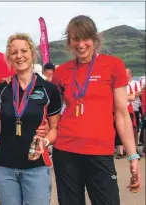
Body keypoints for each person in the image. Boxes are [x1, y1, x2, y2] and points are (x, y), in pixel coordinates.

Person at [51, 15, 141, 205]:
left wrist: (133, 155)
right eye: (75, 39)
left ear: (95, 39)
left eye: (86, 38)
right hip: (66, 152)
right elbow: (51, 109)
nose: (81, 44)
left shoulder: (113, 65)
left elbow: (122, 114)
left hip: (100, 152)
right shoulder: (61, 72)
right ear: (69, 42)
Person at [0, 33, 61, 205]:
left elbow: (55, 129)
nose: (19, 56)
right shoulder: (1, 89)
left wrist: (45, 140)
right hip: (4, 167)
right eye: (14, 52)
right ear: (9, 57)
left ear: (32, 53)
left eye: (24, 51)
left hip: (36, 166)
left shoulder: (48, 89)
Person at [126, 68, 142, 147]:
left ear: (131, 75)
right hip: (125, 109)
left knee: (135, 129)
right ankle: (125, 148)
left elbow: (138, 94)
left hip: (135, 108)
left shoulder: (136, 83)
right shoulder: (122, 84)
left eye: (126, 73)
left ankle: (134, 147)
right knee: (125, 129)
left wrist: (128, 96)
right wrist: (131, 95)